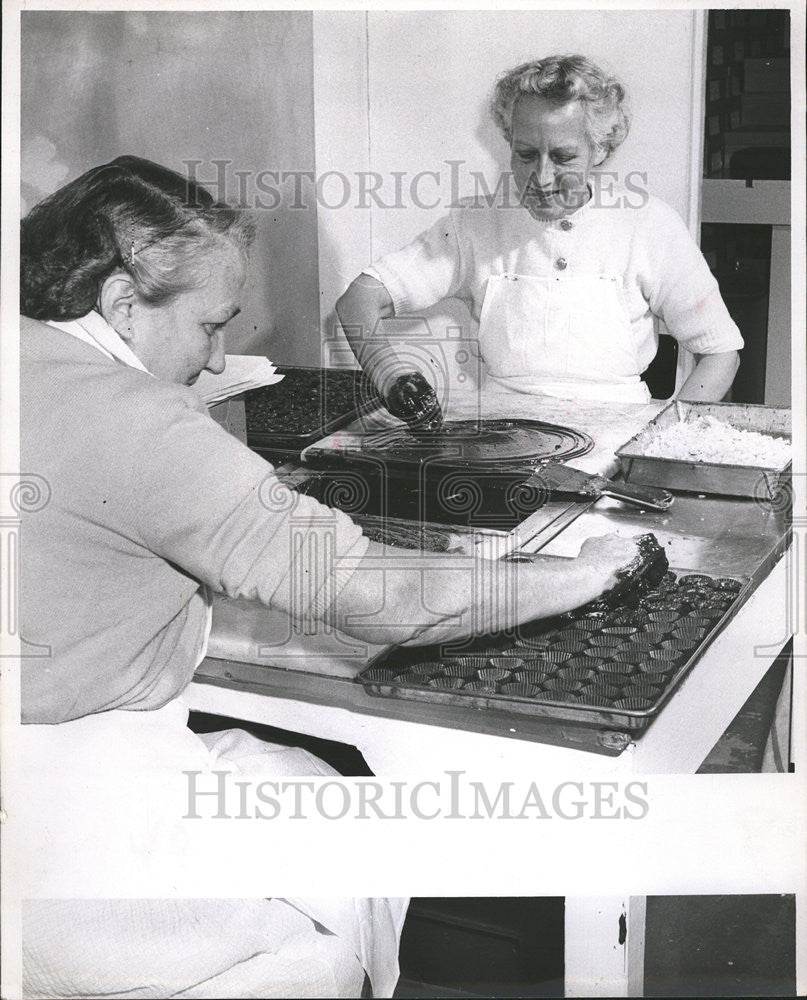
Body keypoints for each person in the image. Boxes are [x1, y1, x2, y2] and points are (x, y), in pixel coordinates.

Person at [18, 156, 645, 998]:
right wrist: (580, 574)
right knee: (344, 869)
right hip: (76, 850)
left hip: (32, 804)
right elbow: (388, 604)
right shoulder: (137, 422)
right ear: (124, 304)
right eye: (210, 327)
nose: (214, 363)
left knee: (304, 781)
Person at [336, 54, 744, 428]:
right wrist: (392, 377)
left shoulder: (649, 224)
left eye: (564, 157)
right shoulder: (475, 223)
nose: (542, 178)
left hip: (619, 435)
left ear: (599, 150)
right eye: (526, 154)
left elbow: (721, 352)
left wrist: (663, 434)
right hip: (499, 435)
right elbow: (358, 299)